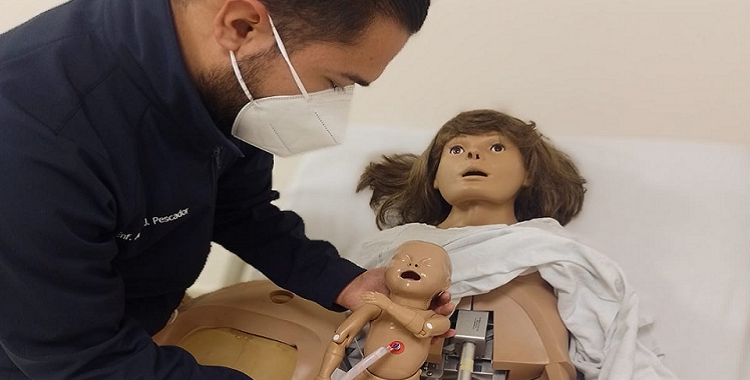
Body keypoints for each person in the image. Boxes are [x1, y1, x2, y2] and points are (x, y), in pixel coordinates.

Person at [0, 0, 455, 379]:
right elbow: (81, 360)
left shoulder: (223, 77)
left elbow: (240, 208)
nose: (329, 111)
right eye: (334, 83)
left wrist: (347, 282)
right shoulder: (33, 139)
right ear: (242, 25)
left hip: (136, 330)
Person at [352, 110, 679, 379]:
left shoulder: (553, 249)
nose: (473, 154)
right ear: (434, 176)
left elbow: (613, 336)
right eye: (456, 149)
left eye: (496, 148)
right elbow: (336, 323)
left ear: (529, 174)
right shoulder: (389, 248)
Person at [316, 240, 452, 380]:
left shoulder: (436, 320)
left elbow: (422, 329)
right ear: (386, 269)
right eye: (402, 259)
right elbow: (340, 338)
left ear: (446, 283)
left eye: (427, 265)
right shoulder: (376, 307)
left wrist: (388, 305)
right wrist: (324, 375)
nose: (413, 265)